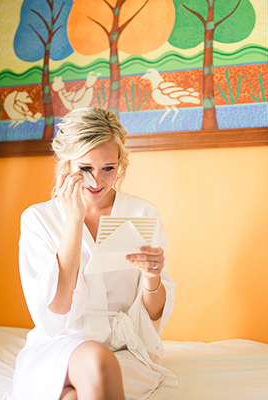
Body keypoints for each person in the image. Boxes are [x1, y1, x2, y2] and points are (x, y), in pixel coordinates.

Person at [13, 108, 177, 400]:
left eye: (108, 168)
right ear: (66, 164)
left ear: (120, 164)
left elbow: (153, 314)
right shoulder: (38, 219)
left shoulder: (142, 213)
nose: (97, 181)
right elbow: (58, 307)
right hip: (60, 344)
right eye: (84, 168)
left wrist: (152, 278)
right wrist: (74, 220)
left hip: (124, 350)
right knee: (96, 361)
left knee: (72, 396)